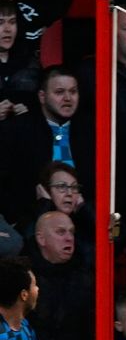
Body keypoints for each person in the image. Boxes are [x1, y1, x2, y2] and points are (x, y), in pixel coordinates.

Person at [0, 65, 92, 231]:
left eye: (73, 91)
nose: (68, 98)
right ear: (42, 97)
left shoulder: (92, 132)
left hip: (83, 224)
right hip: (31, 225)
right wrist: (17, 222)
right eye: (59, 92)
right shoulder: (16, 130)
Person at [26, 211, 91, 340]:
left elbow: (95, 333)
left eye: (71, 232)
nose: (69, 238)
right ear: (41, 238)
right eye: (61, 232)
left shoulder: (86, 279)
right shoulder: (19, 277)